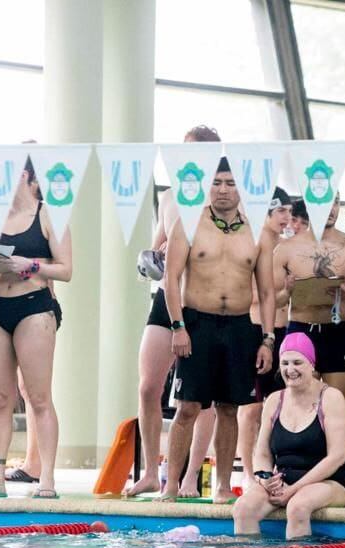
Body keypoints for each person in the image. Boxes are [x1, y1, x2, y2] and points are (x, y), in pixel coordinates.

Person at [162, 157, 274, 502]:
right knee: (188, 407)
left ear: (243, 189)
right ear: (207, 187)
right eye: (217, 183)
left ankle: (224, 486)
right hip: (198, 322)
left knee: (230, 408)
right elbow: (170, 279)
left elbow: (268, 291)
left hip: (241, 326)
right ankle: (170, 487)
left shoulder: (261, 231)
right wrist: (178, 327)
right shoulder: (189, 224)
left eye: (230, 183)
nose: (223, 190)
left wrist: (268, 339)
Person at [127, 124, 220, 498]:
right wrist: (152, 258)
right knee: (149, 386)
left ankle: (189, 477)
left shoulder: (221, 199)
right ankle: (151, 471)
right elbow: (154, 253)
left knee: (202, 396)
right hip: (167, 298)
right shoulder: (168, 199)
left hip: (204, 302)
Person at [0, 158, 72, 499]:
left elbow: (66, 269)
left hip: (34, 307)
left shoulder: (49, 215)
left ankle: (47, 480)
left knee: (39, 397)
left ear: (26, 176)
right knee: (0, 399)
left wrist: (29, 265)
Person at [274, 194, 345, 475]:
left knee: (343, 412)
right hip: (301, 332)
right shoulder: (286, 249)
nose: (332, 208)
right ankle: (300, 476)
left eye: (337, 201)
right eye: (325, 200)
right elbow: (272, 301)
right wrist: (288, 291)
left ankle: (344, 484)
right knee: (300, 410)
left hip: (338, 332)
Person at [232, 332, 345, 538]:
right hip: (283, 480)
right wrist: (265, 478)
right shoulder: (275, 400)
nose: (290, 370)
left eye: (297, 362)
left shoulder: (331, 397)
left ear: (311, 365)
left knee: (297, 507)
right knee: (243, 509)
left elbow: (337, 457)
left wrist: (294, 489)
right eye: (285, 363)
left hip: (329, 482)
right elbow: (261, 452)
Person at [237, 187, 292, 485]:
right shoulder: (254, 244)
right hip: (257, 330)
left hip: (285, 332)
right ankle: (248, 473)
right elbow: (254, 295)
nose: (286, 217)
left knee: (280, 406)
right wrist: (286, 293)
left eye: (289, 212)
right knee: (252, 408)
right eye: (281, 211)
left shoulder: (285, 247)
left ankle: (274, 470)